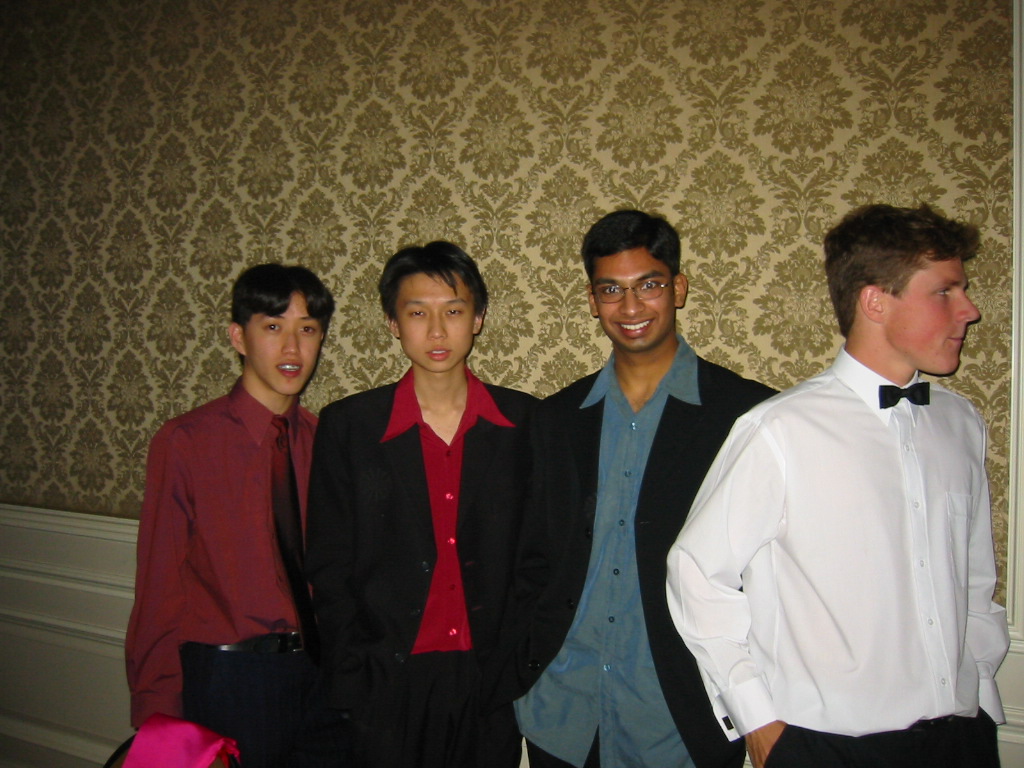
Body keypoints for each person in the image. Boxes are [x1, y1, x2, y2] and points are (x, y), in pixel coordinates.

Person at [666, 203, 1010, 768]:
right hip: (828, 747)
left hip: (961, 737)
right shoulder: (780, 430)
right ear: (875, 301)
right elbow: (695, 574)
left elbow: (973, 578)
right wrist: (757, 720)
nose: (969, 311)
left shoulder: (960, 422)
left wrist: (979, 684)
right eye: (944, 292)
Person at [507, 210, 774, 768]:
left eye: (649, 285)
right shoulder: (554, 420)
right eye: (611, 290)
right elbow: (531, 560)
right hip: (563, 710)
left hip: (682, 715)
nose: (630, 308)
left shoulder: (748, 417)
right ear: (592, 299)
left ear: (678, 288)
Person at [305, 241, 537, 768]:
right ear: (392, 323)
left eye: (453, 311)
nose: (436, 331)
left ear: (478, 318)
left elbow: (537, 556)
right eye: (417, 313)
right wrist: (353, 671)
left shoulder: (524, 423)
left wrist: (517, 662)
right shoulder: (349, 426)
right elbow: (329, 560)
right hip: (385, 677)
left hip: (488, 678)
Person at [125, 263, 338, 768]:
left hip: (322, 677)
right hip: (229, 680)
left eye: (308, 329)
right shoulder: (186, 442)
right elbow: (159, 587)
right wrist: (159, 712)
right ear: (238, 337)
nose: (292, 348)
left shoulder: (326, 442)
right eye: (273, 327)